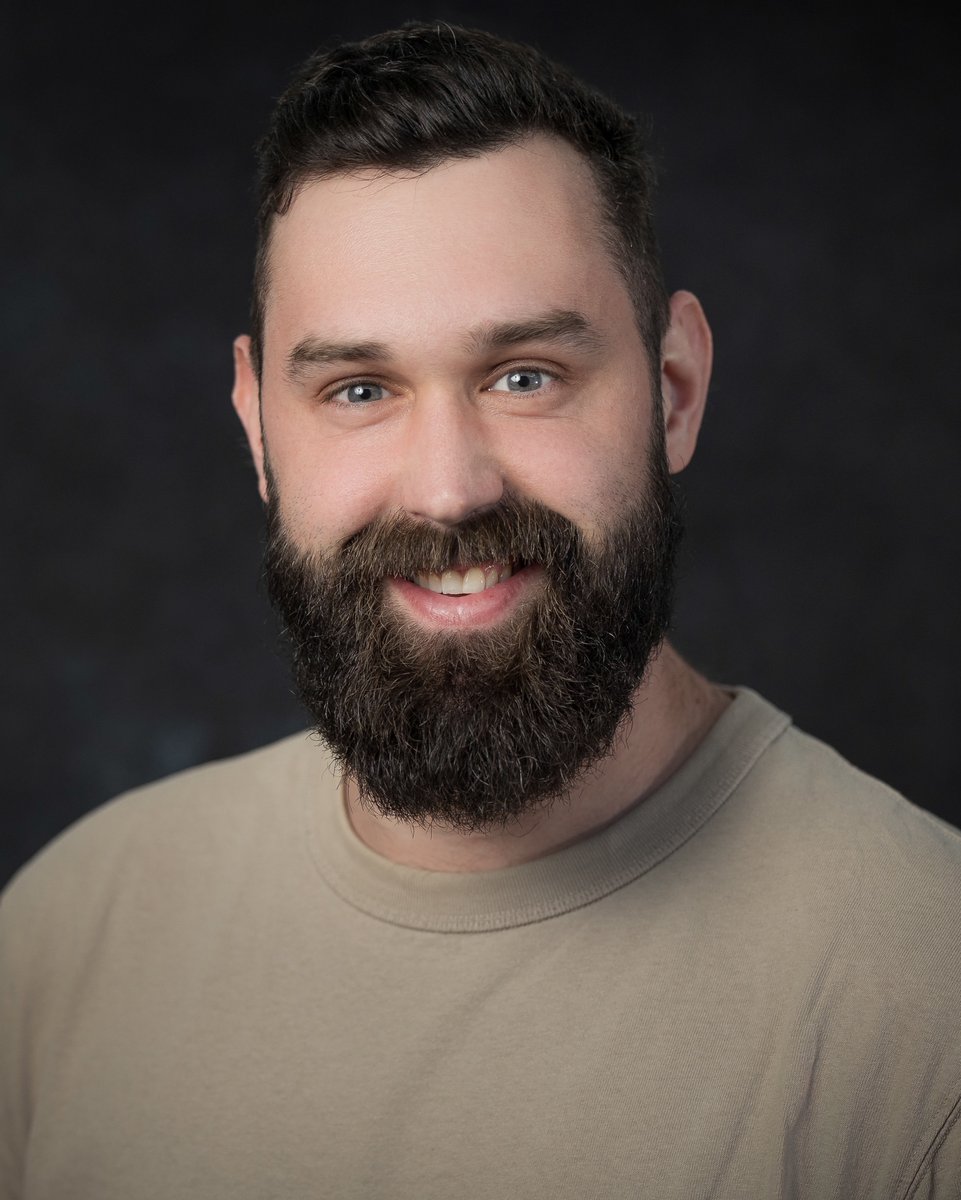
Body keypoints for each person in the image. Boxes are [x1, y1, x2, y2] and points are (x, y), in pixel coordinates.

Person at [1, 22, 959, 1199]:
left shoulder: (928, 1001)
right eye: (359, 388)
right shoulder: (65, 939)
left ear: (673, 392)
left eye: (524, 377)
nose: (450, 486)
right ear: (258, 428)